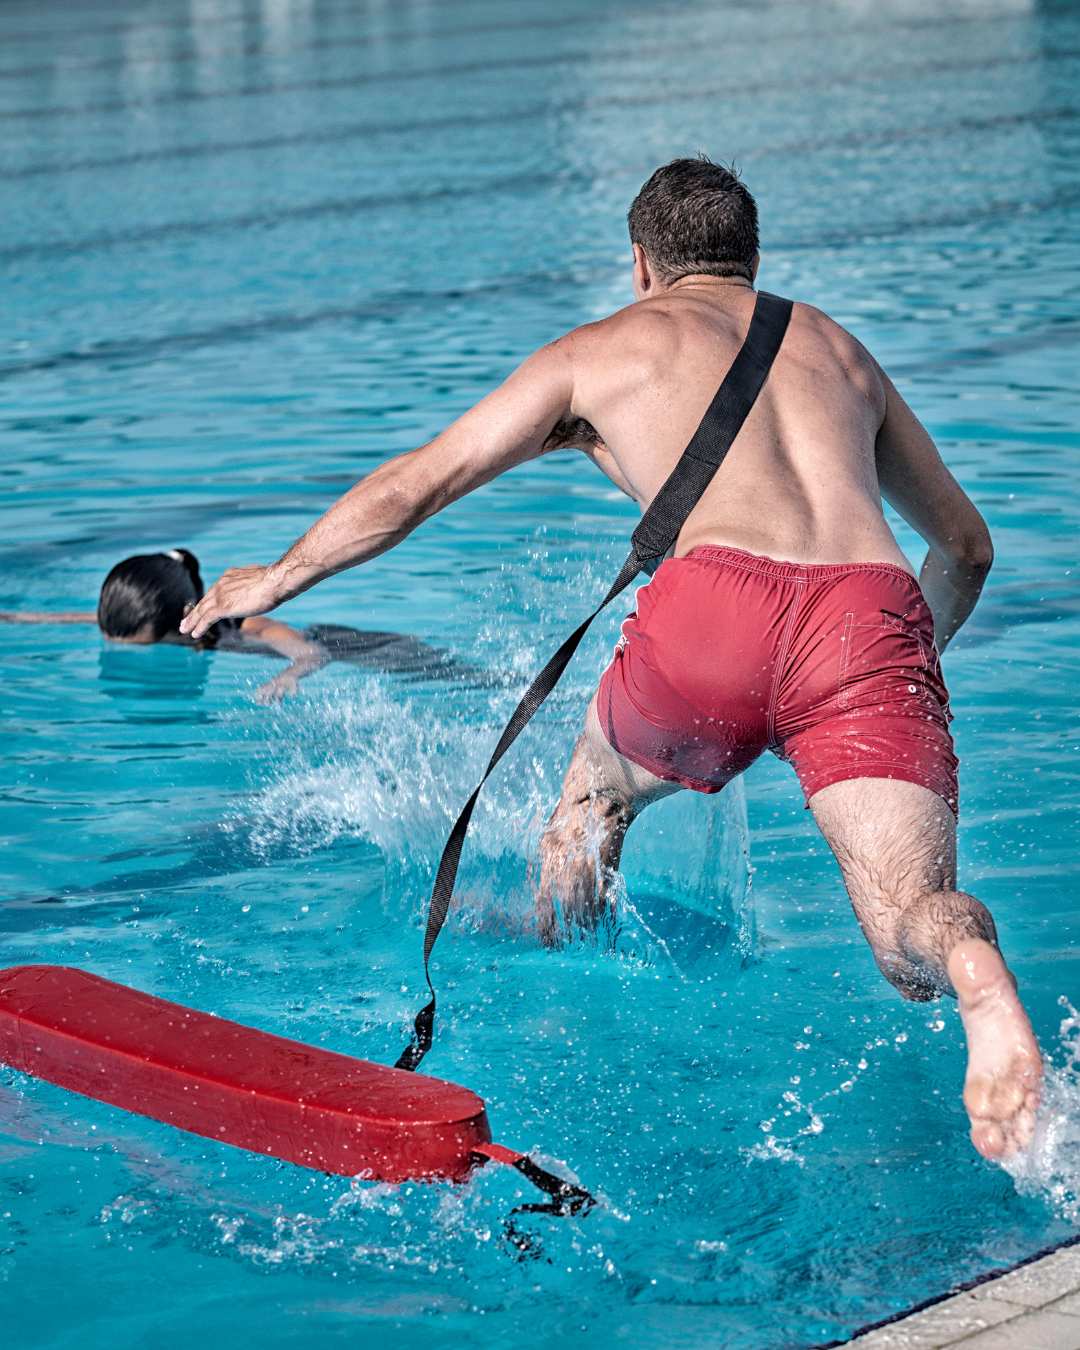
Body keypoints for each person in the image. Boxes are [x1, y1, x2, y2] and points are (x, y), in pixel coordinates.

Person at [180, 157, 1041, 1161]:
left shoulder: (599, 352)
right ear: (751, 261)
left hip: (714, 607)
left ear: (641, 265)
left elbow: (417, 486)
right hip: (866, 614)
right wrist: (881, 673)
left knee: (588, 814)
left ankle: (572, 980)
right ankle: (981, 985)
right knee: (908, 932)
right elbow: (967, 547)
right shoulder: (840, 351)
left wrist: (277, 580)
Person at [1, 547, 459, 702]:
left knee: (473, 680)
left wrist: (288, 675)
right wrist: (17, 618)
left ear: (183, 621)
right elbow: (85, 619)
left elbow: (312, 653)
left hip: (370, 651)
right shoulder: (136, 621)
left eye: (141, 642)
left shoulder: (246, 626)